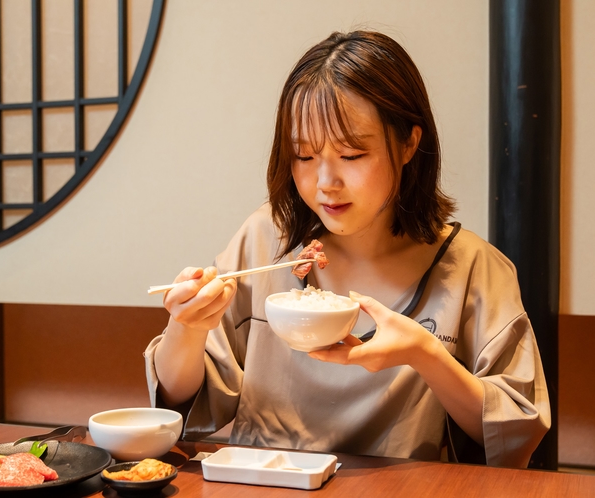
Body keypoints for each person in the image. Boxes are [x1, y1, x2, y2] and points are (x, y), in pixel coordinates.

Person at [145, 30, 549, 468]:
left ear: (410, 143)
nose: (325, 183)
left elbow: (515, 430)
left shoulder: (471, 267)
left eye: (352, 155)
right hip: (263, 486)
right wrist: (185, 328)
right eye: (303, 156)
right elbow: (181, 402)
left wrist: (425, 353)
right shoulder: (269, 239)